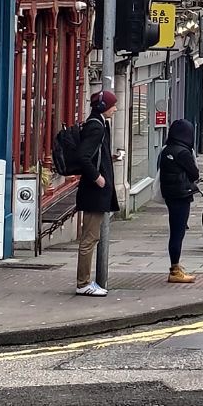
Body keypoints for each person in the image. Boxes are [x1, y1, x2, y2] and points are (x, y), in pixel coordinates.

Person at [75, 90, 118, 297]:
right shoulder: (96, 126)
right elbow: (83, 157)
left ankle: (85, 281)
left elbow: (94, 154)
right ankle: (83, 283)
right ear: (103, 107)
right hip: (94, 192)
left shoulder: (99, 123)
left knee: (92, 237)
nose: (115, 109)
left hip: (96, 191)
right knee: (90, 238)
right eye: (112, 105)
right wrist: (97, 177)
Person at [158, 118, 200, 284]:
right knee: (178, 233)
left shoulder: (166, 149)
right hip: (181, 194)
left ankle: (176, 266)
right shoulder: (183, 152)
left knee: (175, 230)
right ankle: (175, 270)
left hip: (169, 194)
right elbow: (194, 174)